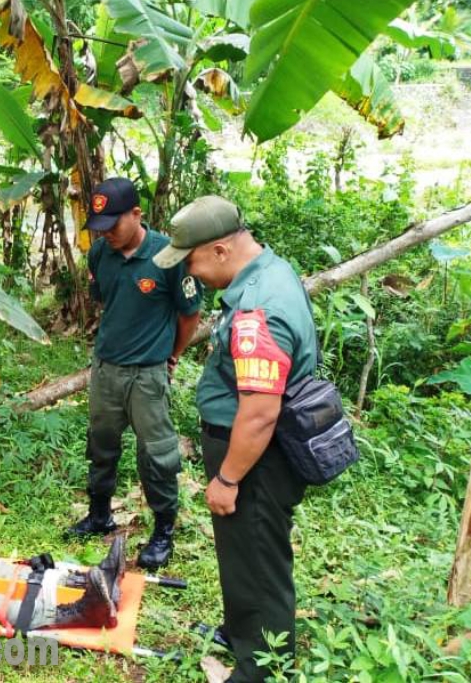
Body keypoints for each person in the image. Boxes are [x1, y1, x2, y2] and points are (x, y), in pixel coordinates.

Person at [153, 195, 316, 683]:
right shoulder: (265, 274)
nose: (191, 273)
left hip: (255, 457)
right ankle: (240, 630)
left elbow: (261, 413)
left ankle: (260, 669)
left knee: (260, 561)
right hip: (247, 451)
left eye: (193, 261)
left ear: (220, 251)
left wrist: (227, 478)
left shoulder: (259, 307)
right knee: (241, 551)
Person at [66, 177, 202, 572]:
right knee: (101, 446)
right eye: (100, 227)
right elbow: (106, 301)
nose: (106, 233)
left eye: (113, 225)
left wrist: (171, 356)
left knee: (156, 454)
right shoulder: (100, 255)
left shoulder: (169, 257)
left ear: (136, 215)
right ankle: (99, 514)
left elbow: (190, 314)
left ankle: (162, 532)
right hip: (106, 369)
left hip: (147, 374)